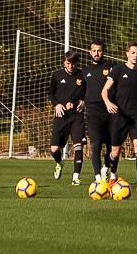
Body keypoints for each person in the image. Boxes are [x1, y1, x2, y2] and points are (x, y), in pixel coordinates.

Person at [103, 42, 137, 190]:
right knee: (115, 151)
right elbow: (104, 90)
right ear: (127, 54)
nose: (135, 56)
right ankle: (113, 174)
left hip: (136, 116)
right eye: (133, 53)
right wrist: (108, 102)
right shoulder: (117, 69)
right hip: (119, 116)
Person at [80, 41, 118, 181]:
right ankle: (97, 177)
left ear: (103, 52)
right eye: (94, 50)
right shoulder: (85, 71)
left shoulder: (112, 67)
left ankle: (106, 167)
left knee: (111, 145)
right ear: (90, 52)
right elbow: (80, 90)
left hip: (110, 111)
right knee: (95, 144)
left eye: (99, 50)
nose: (97, 53)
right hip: (93, 113)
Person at [48, 50, 86, 183]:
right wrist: (57, 105)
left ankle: (76, 177)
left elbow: (88, 92)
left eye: (73, 63)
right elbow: (51, 94)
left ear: (77, 63)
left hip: (77, 116)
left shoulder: (83, 75)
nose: (71, 66)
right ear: (64, 62)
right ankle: (59, 163)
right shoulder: (56, 75)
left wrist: (84, 101)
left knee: (78, 146)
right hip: (61, 116)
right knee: (54, 149)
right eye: (68, 63)